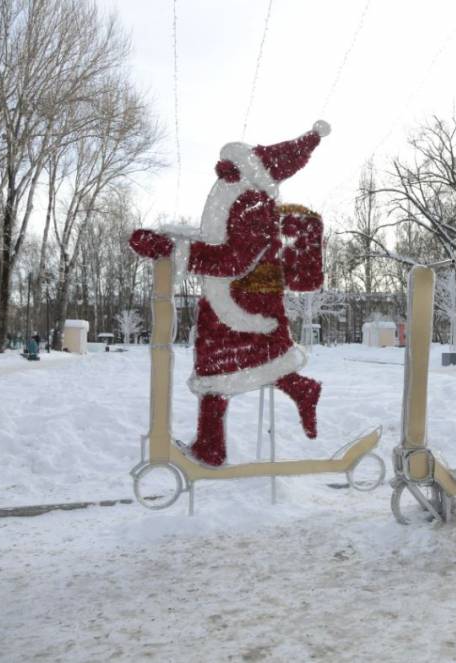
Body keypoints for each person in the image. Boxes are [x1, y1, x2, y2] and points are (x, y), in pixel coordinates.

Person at [129, 121, 330, 467]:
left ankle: (212, 447)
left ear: (248, 169)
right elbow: (215, 239)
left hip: (243, 302)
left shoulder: (251, 202)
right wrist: (169, 240)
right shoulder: (238, 195)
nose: (224, 172)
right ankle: (296, 391)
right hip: (230, 300)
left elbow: (234, 259)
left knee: (221, 370)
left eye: (234, 166)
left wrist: (173, 249)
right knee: (223, 370)